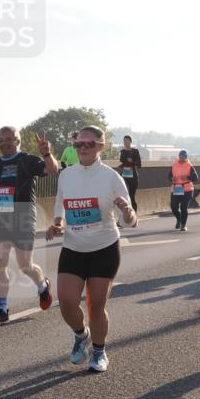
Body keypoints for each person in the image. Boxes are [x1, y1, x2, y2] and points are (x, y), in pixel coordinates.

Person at [46, 126, 135, 373]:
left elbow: (130, 220)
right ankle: (81, 334)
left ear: (101, 147)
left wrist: (127, 211)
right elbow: (60, 206)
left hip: (103, 247)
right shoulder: (67, 175)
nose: (83, 147)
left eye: (89, 144)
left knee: (95, 304)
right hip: (73, 247)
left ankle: (99, 350)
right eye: (79, 143)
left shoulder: (111, 177)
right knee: (65, 301)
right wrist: (57, 224)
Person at [0, 127, 59, 325]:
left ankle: (42, 285)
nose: (5, 143)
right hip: (1, 219)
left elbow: (53, 169)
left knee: (25, 265)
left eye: (9, 139)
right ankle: (2, 309)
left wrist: (46, 153)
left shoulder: (27, 160)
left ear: (18, 141)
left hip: (23, 218)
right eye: (1, 139)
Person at [168, 149, 199, 231]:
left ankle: (183, 225)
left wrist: (188, 177)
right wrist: (172, 179)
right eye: (181, 156)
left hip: (187, 189)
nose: (182, 158)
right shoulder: (174, 165)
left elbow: (196, 177)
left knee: (183, 207)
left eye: (184, 156)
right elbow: (168, 176)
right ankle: (179, 219)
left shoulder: (189, 165)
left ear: (186, 157)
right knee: (173, 207)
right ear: (179, 156)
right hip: (176, 188)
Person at [118, 135, 142, 215]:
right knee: (123, 196)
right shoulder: (122, 152)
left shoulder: (135, 151)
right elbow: (122, 161)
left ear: (130, 141)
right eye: (124, 141)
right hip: (124, 175)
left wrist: (132, 161)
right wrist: (124, 163)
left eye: (127, 141)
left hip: (133, 177)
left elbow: (139, 165)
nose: (125, 142)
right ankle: (124, 216)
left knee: (131, 196)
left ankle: (134, 214)